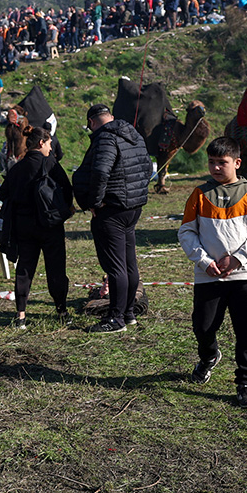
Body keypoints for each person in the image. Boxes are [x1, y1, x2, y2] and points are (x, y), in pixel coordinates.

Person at [177, 137, 247, 409]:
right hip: (209, 275)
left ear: (237, 163)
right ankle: (209, 356)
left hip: (246, 276)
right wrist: (205, 261)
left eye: (223, 162)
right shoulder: (198, 194)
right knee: (203, 326)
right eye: (212, 162)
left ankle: (246, 383)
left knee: (246, 333)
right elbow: (186, 231)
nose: (216, 168)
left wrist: (238, 259)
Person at [74, 103, 151, 334]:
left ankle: (115, 319)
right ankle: (128, 314)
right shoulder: (133, 134)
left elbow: (100, 172)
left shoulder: (105, 137)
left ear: (91, 122)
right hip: (133, 207)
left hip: (113, 209)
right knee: (129, 263)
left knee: (116, 267)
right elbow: (147, 166)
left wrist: (95, 202)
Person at [0, 126, 73, 329]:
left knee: (24, 269)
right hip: (50, 225)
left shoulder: (17, 167)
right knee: (55, 268)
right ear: (41, 143)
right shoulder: (50, 163)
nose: (50, 148)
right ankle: (62, 310)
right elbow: (66, 188)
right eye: (49, 144)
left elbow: (3, 194)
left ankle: (21, 315)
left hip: (24, 226)